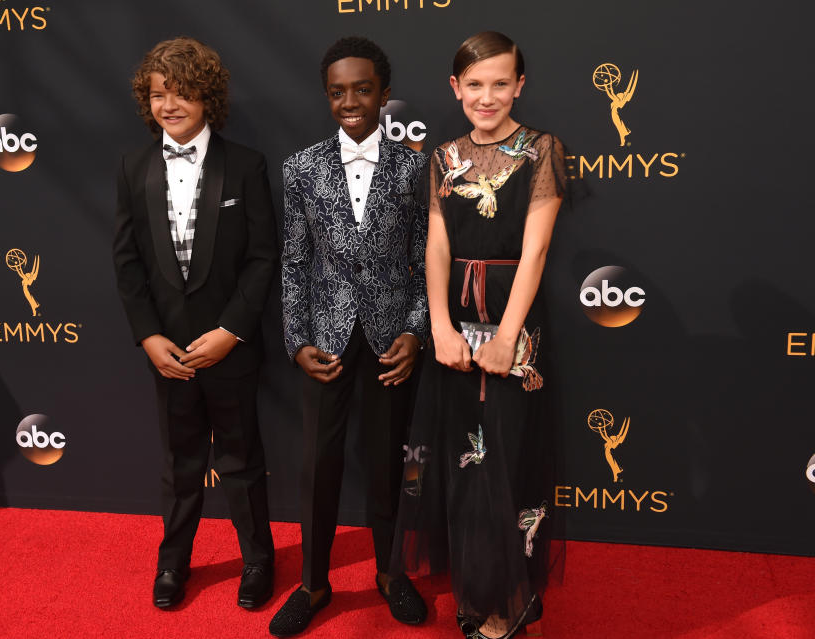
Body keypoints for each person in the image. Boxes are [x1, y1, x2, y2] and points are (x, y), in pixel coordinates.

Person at [389, 31, 566, 639]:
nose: (486, 96)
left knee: (511, 457)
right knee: (466, 461)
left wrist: (507, 336)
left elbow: (536, 249)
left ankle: (512, 597)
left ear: (519, 85)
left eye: (499, 83)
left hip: (516, 319)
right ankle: (477, 587)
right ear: (455, 88)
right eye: (474, 84)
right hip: (453, 327)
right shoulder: (441, 157)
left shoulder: (542, 150)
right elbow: (437, 247)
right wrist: (439, 325)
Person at [269, 36, 430, 637]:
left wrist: (416, 332)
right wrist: (295, 340)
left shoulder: (415, 167)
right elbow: (293, 262)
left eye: (363, 89)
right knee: (319, 465)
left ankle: (391, 575)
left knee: (389, 462)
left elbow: (423, 263)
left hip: (392, 342)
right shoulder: (301, 167)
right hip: (326, 340)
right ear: (326, 97)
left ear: (384, 95)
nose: (350, 101)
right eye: (338, 92)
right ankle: (313, 584)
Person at [113, 37, 277, 611]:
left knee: (241, 461)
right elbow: (127, 260)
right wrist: (148, 336)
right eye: (159, 94)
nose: (170, 104)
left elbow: (263, 258)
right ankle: (173, 562)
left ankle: (258, 559)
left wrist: (231, 331)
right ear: (147, 101)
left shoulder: (247, 165)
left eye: (183, 92)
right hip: (168, 352)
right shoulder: (133, 167)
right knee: (181, 466)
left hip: (230, 347)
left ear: (208, 98)